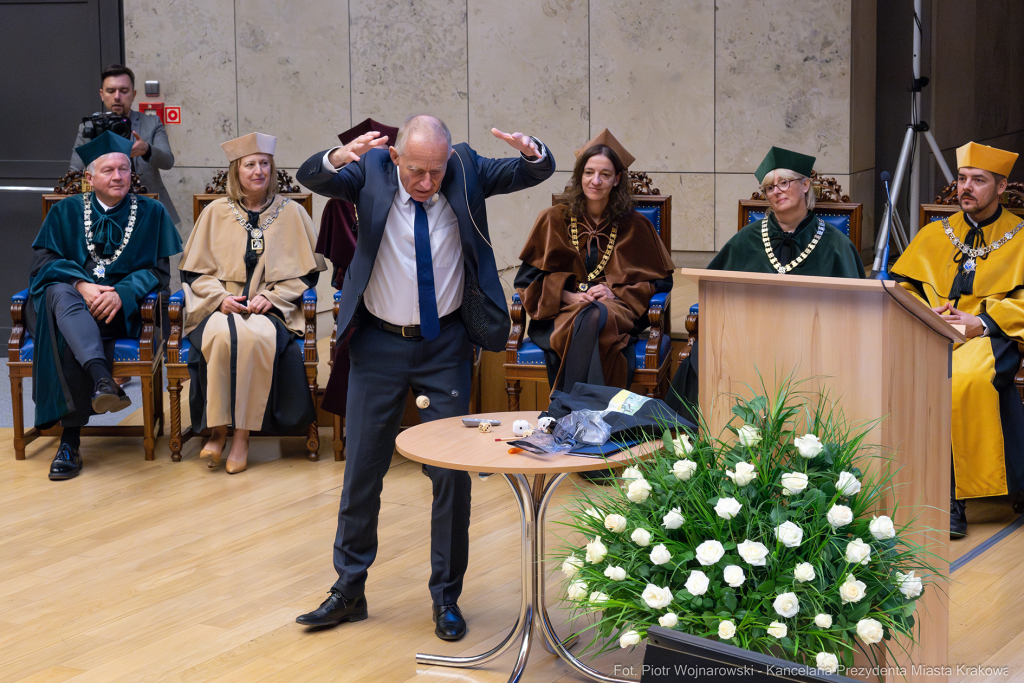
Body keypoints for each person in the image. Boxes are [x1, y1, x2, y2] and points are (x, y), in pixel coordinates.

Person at [293, 115, 555, 641]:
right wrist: (338, 157)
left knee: (450, 476)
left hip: (444, 348)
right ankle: (349, 589)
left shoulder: (464, 165)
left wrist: (533, 151)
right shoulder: (368, 167)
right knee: (363, 469)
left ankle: (446, 598)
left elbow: (533, 173)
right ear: (396, 158)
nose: (427, 183)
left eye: (435, 172)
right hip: (378, 344)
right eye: (416, 171)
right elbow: (311, 177)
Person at [667, 147, 865, 420]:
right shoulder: (746, 239)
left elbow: (856, 310)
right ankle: (700, 437)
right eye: (769, 187)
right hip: (748, 339)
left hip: (813, 344)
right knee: (702, 354)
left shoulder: (836, 245)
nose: (777, 191)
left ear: (805, 185)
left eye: (784, 183)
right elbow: (714, 288)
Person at [28, 131, 182, 480]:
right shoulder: (65, 211)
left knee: (65, 321)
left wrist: (120, 293)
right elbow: (41, 266)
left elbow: (159, 274)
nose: (118, 176)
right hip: (72, 310)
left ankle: (70, 441)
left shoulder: (152, 212)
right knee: (59, 294)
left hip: (122, 314)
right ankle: (101, 382)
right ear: (89, 178)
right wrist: (82, 285)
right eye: (109, 170)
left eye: (124, 169)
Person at [892, 141, 1024, 538]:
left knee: (961, 381)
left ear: (1001, 187)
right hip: (930, 329)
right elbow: (903, 287)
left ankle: (951, 499)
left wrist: (982, 321)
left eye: (978, 181)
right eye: (962, 179)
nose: (966, 187)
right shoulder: (935, 233)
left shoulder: (1020, 238)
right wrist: (925, 312)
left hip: (992, 336)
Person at [178, 133, 325, 475]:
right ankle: (216, 432)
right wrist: (220, 298)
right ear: (236, 171)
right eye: (250, 165)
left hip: (270, 308)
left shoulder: (291, 213)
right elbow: (193, 272)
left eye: (264, 164)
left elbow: (306, 275)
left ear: (272, 169)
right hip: (220, 305)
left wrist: (271, 298)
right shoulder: (214, 212)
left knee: (254, 339)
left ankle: (241, 436)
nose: (258, 171)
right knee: (219, 338)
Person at [515, 129, 674, 394]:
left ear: (617, 179)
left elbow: (661, 280)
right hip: (561, 310)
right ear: (579, 177)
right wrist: (568, 297)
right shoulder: (553, 219)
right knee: (590, 316)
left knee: (597, 313)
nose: (595, 181)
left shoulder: (637, 225)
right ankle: (597, 413)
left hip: (617, 308)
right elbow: (526, 280)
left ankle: (565, 407)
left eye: (605, 174)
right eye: (589, 173)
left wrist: (614, 291)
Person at [70, 64, 179, 226]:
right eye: (111, 91)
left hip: (149, 211)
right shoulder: (89, 127)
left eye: (124, 91)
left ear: (133, 94)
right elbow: (74, 173)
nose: (117, 96)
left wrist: (147, 150)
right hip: (102, 214)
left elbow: (168, 161)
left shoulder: (151, 123)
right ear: (101, 94)